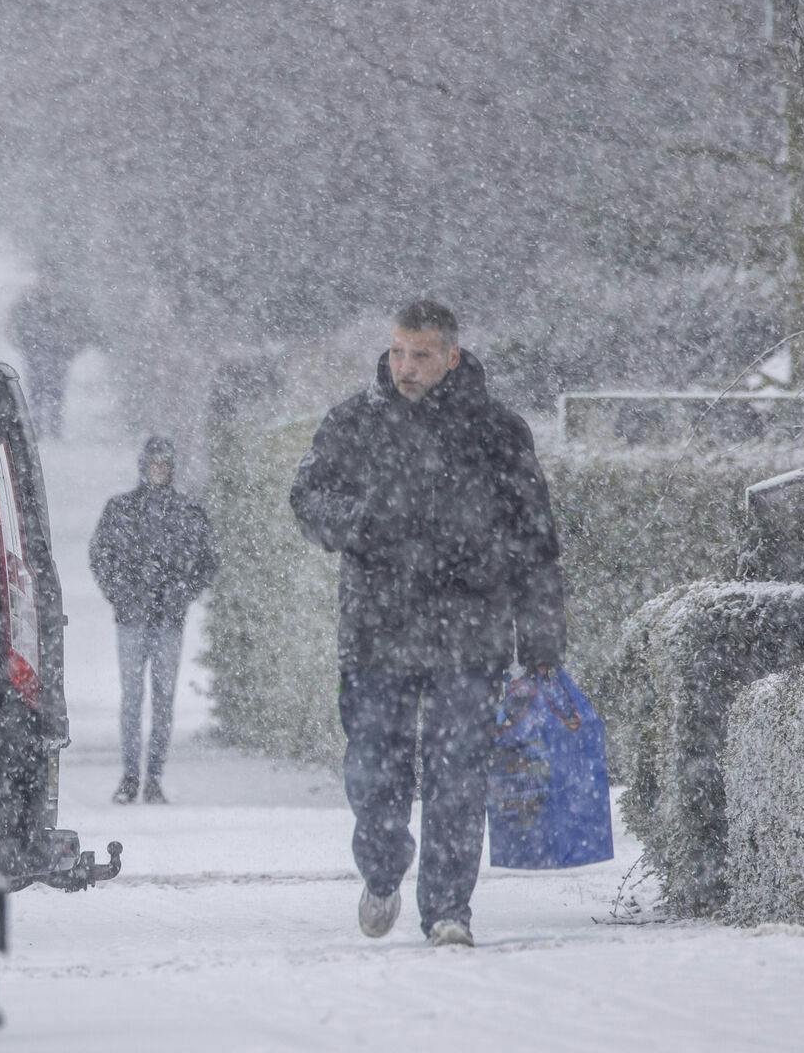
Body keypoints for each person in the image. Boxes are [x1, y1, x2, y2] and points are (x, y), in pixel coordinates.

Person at [288, 300, 565, 948]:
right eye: (397, 352)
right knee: (373, 773)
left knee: (459, 775)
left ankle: (448, 909)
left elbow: (536, 538)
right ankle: (383, 868)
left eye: (420, 355)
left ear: (452, 356)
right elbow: (305, 498)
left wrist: (542, 637)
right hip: (377, 632)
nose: (405, 367)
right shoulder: (354, 422)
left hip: (473, 631)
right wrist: (357, 521)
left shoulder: (498, 432)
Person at [89, 437, 220, 804]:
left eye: (165, 464)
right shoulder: (122, 510)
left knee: (162, 700)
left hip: (167, 620)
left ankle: (154, 776)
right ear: (144, 465)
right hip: (133, 619)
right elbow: (101, 557)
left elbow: (209, 559)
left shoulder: (187, 512)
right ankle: (131, 775)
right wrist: (121, 594)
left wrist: (182, 593)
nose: (159, 470)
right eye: (154, 463)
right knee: (133, 699)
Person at [6, 283, 96, 439]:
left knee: (54, 390)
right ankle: (40, 425)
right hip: (38, 350)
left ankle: (52, 425)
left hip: (56, 351)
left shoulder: (60, 302)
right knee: (38, 389)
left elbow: (79, 326)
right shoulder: (32, 300)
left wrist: (73, 346)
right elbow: (16, 324)